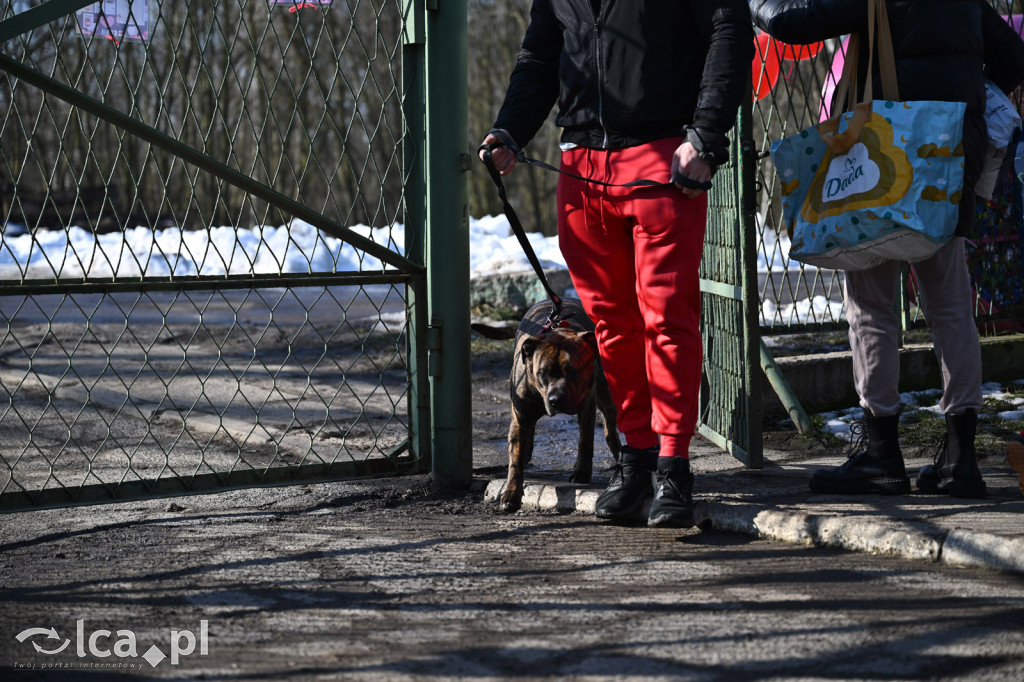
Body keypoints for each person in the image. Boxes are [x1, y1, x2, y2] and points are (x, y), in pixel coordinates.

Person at [479, 1, 753, 527]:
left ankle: (674, 467)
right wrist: (510, 129)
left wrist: (706, 135)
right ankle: (635, 458)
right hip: (581, 169)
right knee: (611, 327)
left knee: (667, 319)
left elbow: (729, 30)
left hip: (665, 159)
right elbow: (540, 55)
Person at [749, 0, 1024, 498]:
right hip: (949, 152)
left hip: (887, 157)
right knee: (951, 305)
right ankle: (962, 458)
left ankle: (881, 454)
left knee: (872, 306)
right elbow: (1012, 58)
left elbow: (792, 23)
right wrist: (959, 95)